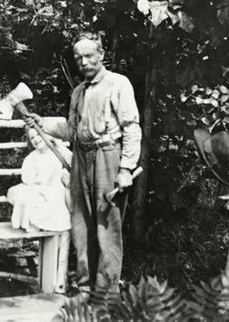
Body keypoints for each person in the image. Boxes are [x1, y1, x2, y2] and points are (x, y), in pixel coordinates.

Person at [25, 31, 142, 294]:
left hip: (107, 156)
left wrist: (125, 169)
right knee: (81, 226)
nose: (84, 62)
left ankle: (105, 297)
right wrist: (41, 122)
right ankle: (86, 289)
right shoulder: (78, 91)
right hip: (80, 156)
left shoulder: (118, 84)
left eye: (89, 56)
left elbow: (131, 128)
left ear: (101, 55)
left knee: (106, 228)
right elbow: (71, 129)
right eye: (78, 58)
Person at [7, 127, 71, 233]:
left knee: (53, 199)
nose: (36, 139)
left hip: (55, 187)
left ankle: (46, 223)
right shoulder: (32, 157)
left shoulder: (57, 151)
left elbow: (73, 161)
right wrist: (38, 183)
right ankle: (32, 224)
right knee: (23, 194)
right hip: (38, 187)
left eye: (38, 135)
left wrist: (58, 144)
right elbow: (27, 178)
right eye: (32, 138)